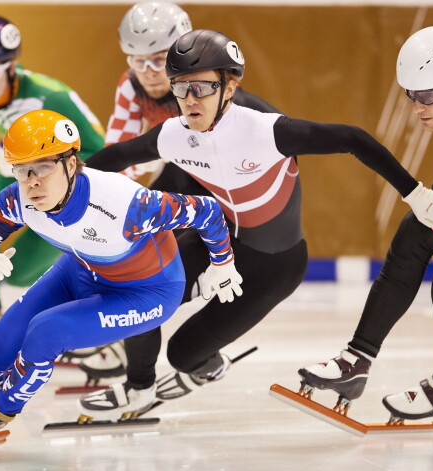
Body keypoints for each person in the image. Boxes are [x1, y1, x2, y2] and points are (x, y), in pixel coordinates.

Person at [78, 29, 433, 420]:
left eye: (202, 88)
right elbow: (115, 157)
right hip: (221, 243)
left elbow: (352, 138)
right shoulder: (175, 134)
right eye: (180, 88)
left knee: (182, 354)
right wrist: (61, 177)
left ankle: (205, 365)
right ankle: (139, 385)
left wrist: (415, 193)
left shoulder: (265, 129)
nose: (190, 100)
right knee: (137, 292)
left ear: (229, 87)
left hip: (273, 267)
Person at [0, 110, 242, 442]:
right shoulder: (17, 199)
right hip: (83, 269)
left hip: (148, 292)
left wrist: (222, 263)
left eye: (43, 167)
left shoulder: (128, 204)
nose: (33, 181)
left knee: (46, 331)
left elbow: (208, 211)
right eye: (22, 170)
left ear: (71, 165)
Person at [298, 24, 433, 422]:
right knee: (413, 236)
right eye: (411, 95)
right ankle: (356, 361)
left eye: (427, 97)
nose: (417, 107)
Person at [79, 1, 282, 380]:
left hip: (218, 179)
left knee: (146, 254)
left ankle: (154, 346)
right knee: (127, 247)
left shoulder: (199, 87)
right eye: (137, 62)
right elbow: (119, 148)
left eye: (158, 60)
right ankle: (128, 335)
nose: (148, 73)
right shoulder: (130, 84)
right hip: (175, 164)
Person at [0, 13, 105, 359]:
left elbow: (101, 151)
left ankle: (87, 314)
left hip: (71, 173)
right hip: (22, 162)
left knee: (22, 272)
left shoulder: (51, 96)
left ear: (12, 67)